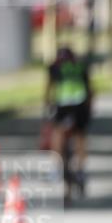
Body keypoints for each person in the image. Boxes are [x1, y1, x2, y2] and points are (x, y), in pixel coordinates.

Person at [44, 46, 93, 194]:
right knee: (80, 136)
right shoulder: (80, 67)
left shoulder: (54, 68)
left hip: (62, 105)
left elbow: (48, 89)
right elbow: (90, 91)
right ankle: (81, 169)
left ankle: (56, 168)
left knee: (57, 133)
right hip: (80, 106)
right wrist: (89, 109)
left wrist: (46, 105)